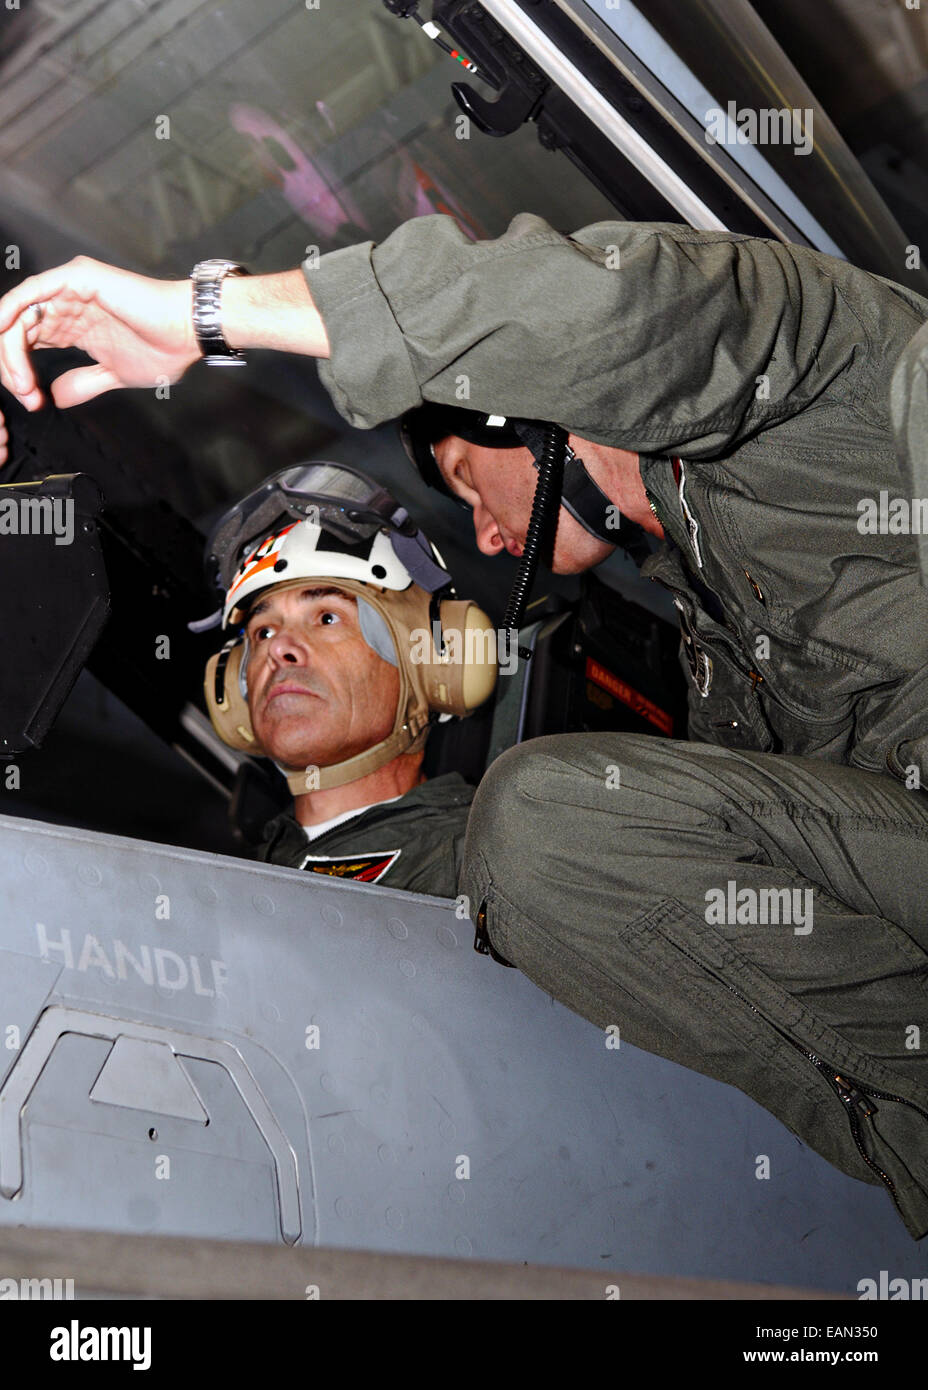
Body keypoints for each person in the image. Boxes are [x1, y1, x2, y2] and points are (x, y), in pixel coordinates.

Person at [1, 216, 927, 1236]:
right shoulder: (719, 664)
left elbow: (608, 311)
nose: (488, 533)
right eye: (258, 627)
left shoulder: (813, 378)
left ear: (529, 411)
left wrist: (208, 315)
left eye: (459, 476)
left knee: (558, 829)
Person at [199, 460, 496, 898]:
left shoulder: (492, 866)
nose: (279, 648)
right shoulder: (225, 889)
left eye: (325, 617)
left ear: (432, 661)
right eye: (263, 631)